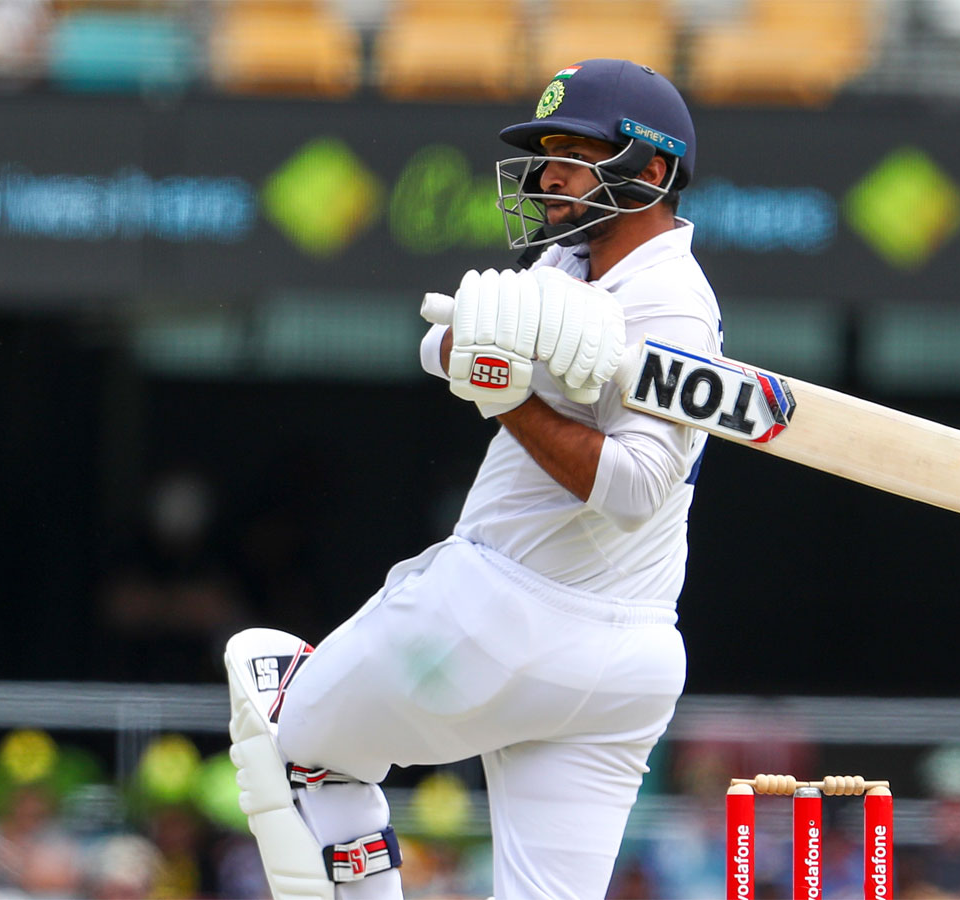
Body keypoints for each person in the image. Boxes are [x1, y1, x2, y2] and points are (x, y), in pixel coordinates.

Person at [225, 58, 721, 900]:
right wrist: (480, 353)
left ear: (655, 168)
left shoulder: (671, 302)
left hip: (501, 615)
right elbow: (445, 345)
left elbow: (638, 489)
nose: (550, 174)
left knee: (288, 738)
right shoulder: (571, 264)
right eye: (549, 154)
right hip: (625, 669)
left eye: (579, 154)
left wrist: (509, 397)